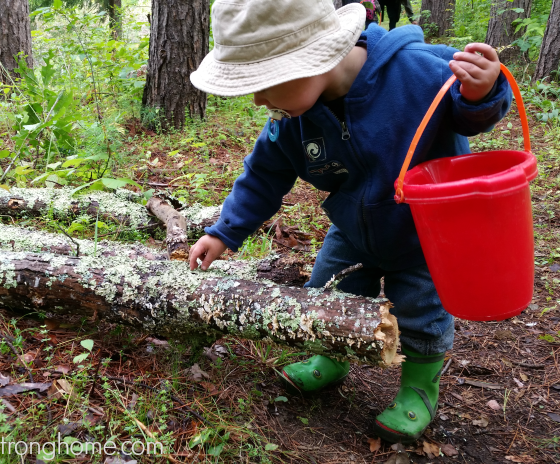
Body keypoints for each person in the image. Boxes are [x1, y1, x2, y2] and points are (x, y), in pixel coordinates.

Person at [188, 0, 510, 444]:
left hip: (427, 236)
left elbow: (466, 107)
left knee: (421, 311)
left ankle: (418, 389)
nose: (259, 99)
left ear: (311, 60)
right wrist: (223, 232)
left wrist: (481, 93)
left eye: (264, 83)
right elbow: (264, 174)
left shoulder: (413, 71)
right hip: (353, 231)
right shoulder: (292, 119)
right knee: (327, 294)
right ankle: (330, 358)